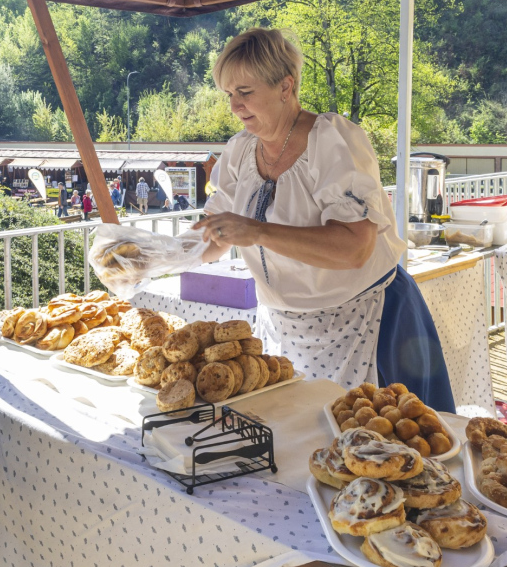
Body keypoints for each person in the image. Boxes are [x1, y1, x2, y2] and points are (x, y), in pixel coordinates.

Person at [192, 28, 454, 411]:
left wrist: (258, 232)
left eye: (245, 92)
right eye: (229, 94)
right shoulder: (238, 152)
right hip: (286, 330)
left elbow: (354, 248)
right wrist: (147, 256)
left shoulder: (332, 141)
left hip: (369, 323)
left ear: (286, 86)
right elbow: (213, 238)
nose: (234, 105)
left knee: (383, 451)